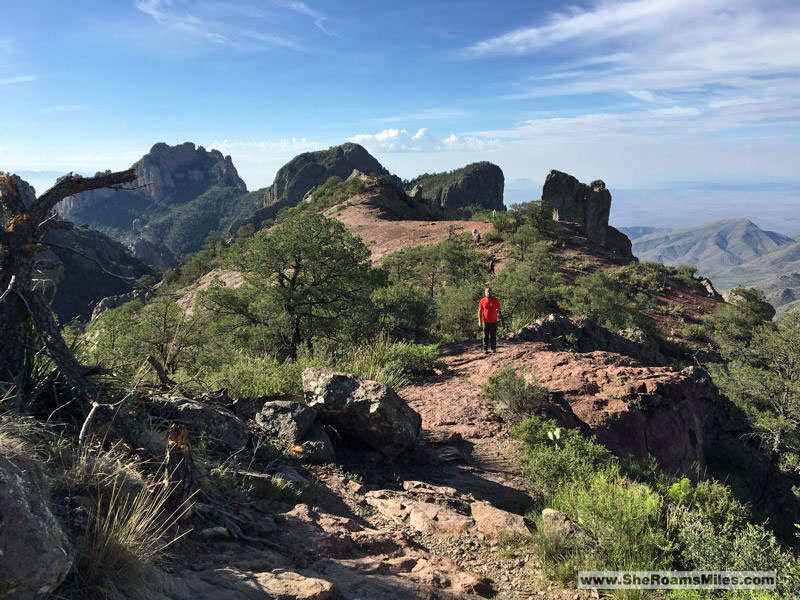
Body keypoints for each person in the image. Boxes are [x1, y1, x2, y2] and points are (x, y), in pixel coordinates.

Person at [478, 287, 501, 354]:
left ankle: (493, 348)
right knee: (485, 336)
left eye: (490, 292)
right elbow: (480, 311)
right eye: (487, 292)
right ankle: (485, 349)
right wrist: (479, 321)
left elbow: (499, 308)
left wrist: (495, 312)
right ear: (485, 293)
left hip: (494, 321)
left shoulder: (495, 300)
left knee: (493, 335)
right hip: (485, 321)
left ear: (492, 292)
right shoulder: (482, 301)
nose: (489, 293)